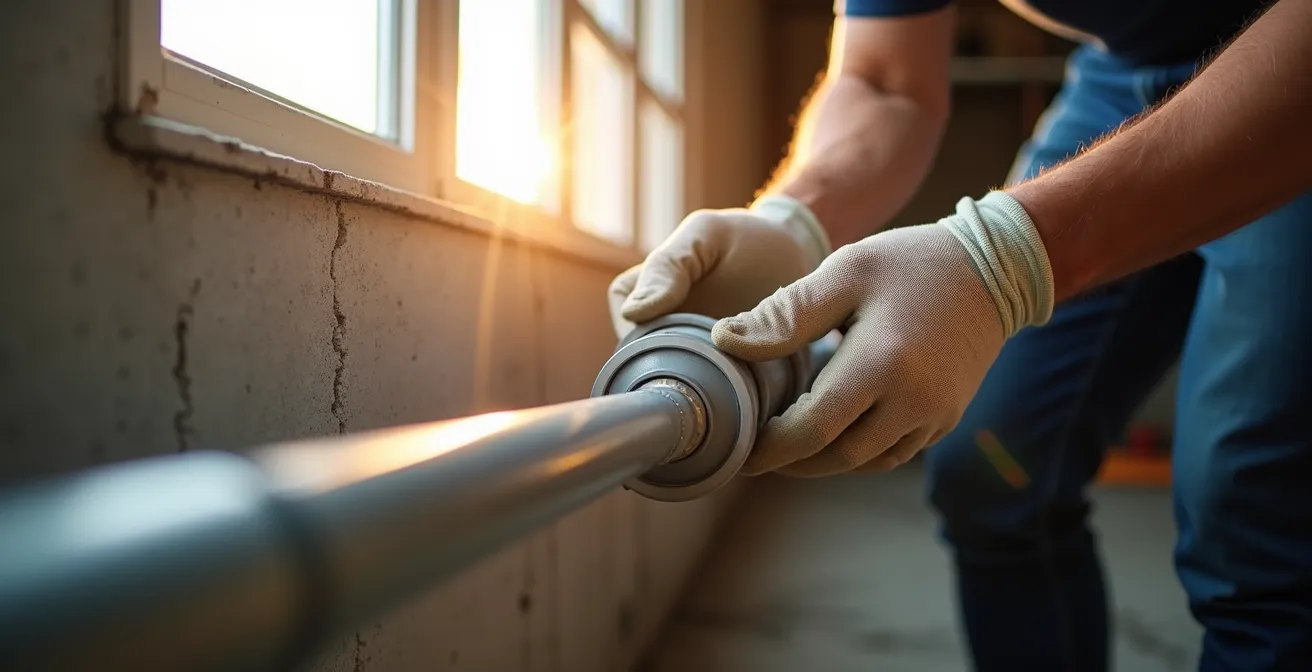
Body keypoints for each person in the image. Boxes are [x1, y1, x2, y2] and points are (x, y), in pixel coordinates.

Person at [607, 0, 1312, 669]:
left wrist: (1001, 258)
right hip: (1122, 74)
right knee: (990, 465)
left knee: (1256, 523)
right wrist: (795, 217)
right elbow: (886, 78)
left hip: (1290, 54)